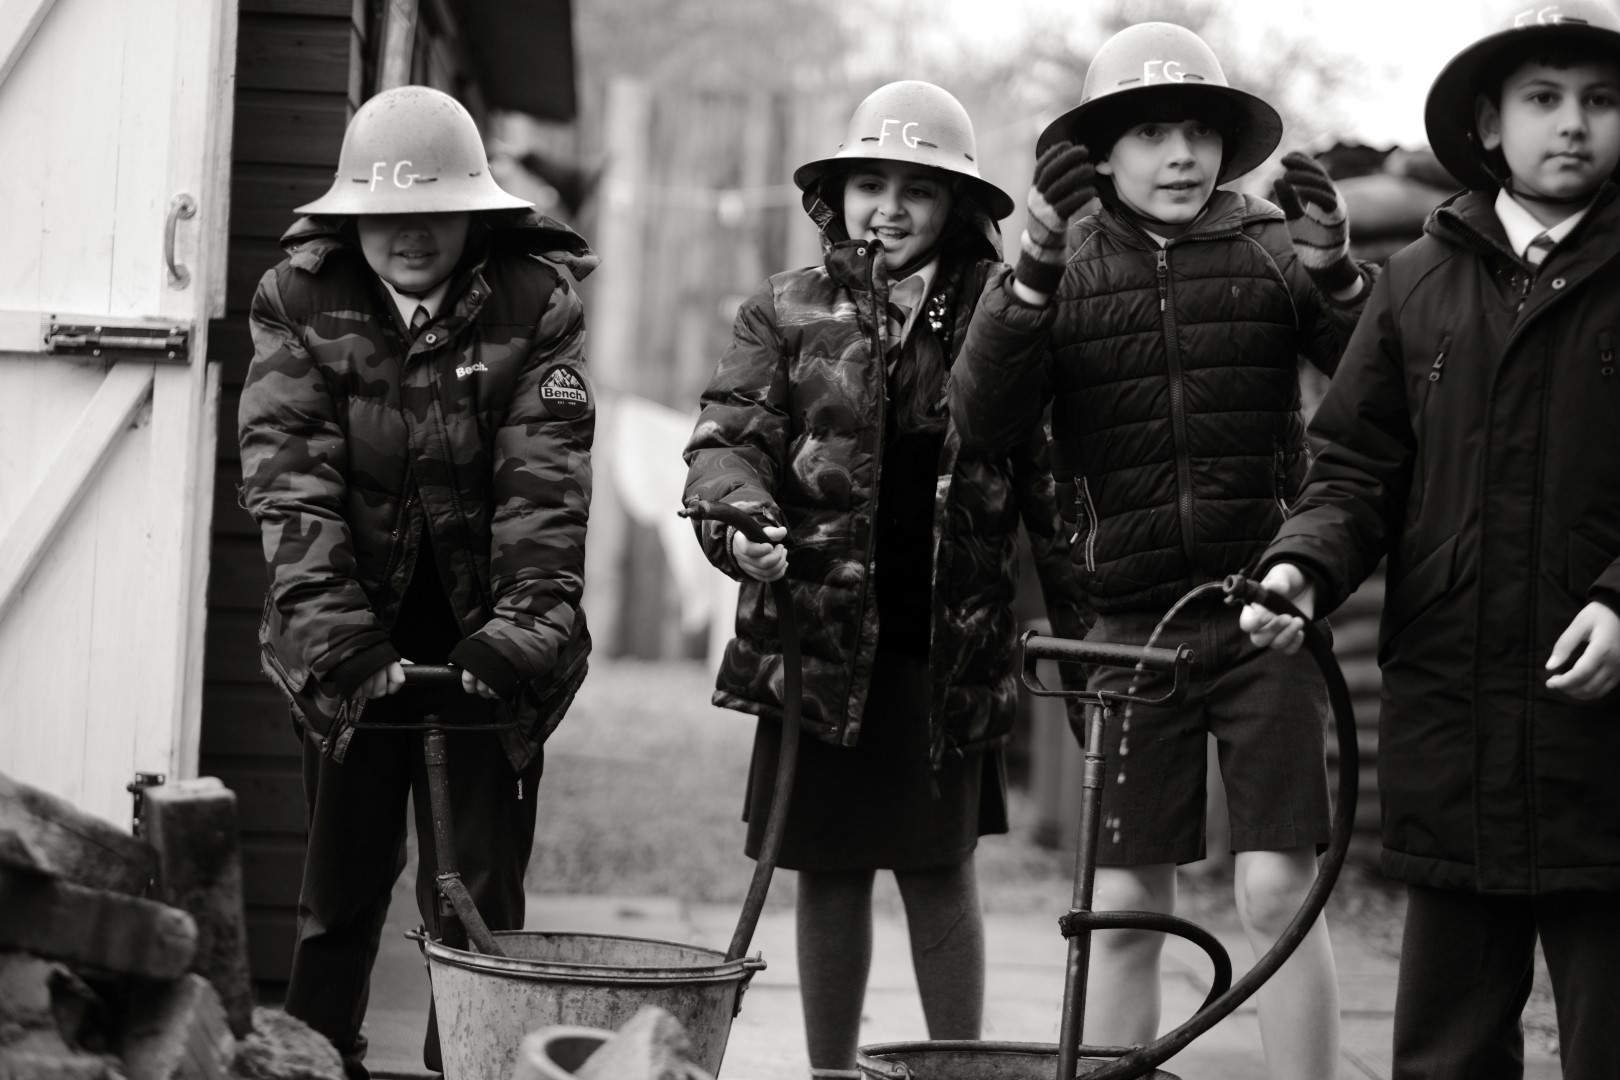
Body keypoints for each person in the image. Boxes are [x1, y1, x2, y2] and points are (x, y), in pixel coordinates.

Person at [948, 22, 1376, 1079]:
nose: (1181, 155)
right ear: (1101, 153)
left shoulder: (1272, 247)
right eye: (1150, 133)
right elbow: (984, 419)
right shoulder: (1062, 263)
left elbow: (1379, 388)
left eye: (1198, 131)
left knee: (1278, 888)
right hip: (1130, 631)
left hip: (1265, 616)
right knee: (1128, 903)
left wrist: (1338, 276)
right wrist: (1032, 273)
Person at [1239, 4, 1620, 1077]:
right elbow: (1356, 467)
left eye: (1600, 99)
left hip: (1604, 748)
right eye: (1543, 99)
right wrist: (1301, 568)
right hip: (1454, 723)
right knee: (1446, 1054)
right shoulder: (1418, 281)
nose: (1574, 122)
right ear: (1490, 126)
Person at [682, 80, 1090, 1079]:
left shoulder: (1005, 312)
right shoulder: (784, 308)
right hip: (820, 644)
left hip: (944, 647)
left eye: (920, 189)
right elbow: (727, 445)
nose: (891, 209)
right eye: (871, 184)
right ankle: (831, 1073)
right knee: (827, 869)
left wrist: (1087, 641)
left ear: (958, 205)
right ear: (838, 196)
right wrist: (741, 528)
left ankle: (961, 1071)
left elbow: (1050, 486)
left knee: (939, 868)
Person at [237, 85, 597, 1080]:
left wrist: (518, 636)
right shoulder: (299, 300)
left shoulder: (534, 303)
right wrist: (341, 640)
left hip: (486, 650)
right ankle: (314, 1061)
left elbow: (545, 490)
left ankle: (471, 1067)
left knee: (476, 904)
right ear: (353, 214)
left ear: (474, 212)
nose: (409, 233)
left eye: (434, 210)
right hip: (351, 648)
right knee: (339, 892)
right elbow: (289, 482)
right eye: (387, 211)